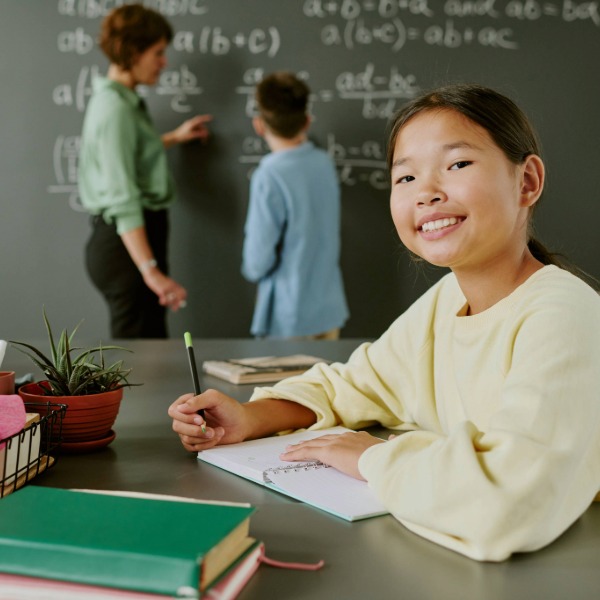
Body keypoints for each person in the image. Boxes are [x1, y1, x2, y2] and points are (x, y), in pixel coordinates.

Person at [168, 84, 600, 561]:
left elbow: (508, 507)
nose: (427, 193)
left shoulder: (564, 315)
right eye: (405, 177)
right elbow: (353, 384)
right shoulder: (447, 300)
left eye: (457, 165)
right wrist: (249, 419)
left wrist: (371, 458)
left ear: (527, 181)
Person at [79, 4, 212, 338]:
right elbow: (123, 197)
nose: (164, 62)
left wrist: (173, 138)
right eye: (158, 52)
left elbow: (131, 152)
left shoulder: (123, 100)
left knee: (148, 349)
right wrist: (151, 272)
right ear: (133, 52)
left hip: (131, 245)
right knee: (140, 356)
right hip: (126, 248)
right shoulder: (115, 110)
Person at [241, 71, 349, 339]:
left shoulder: (269, 175)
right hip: (328, 307)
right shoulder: (323, 163)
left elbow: (257, 260)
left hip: (288, 315)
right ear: (307, 121)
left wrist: (252, 268)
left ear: (259, 125)